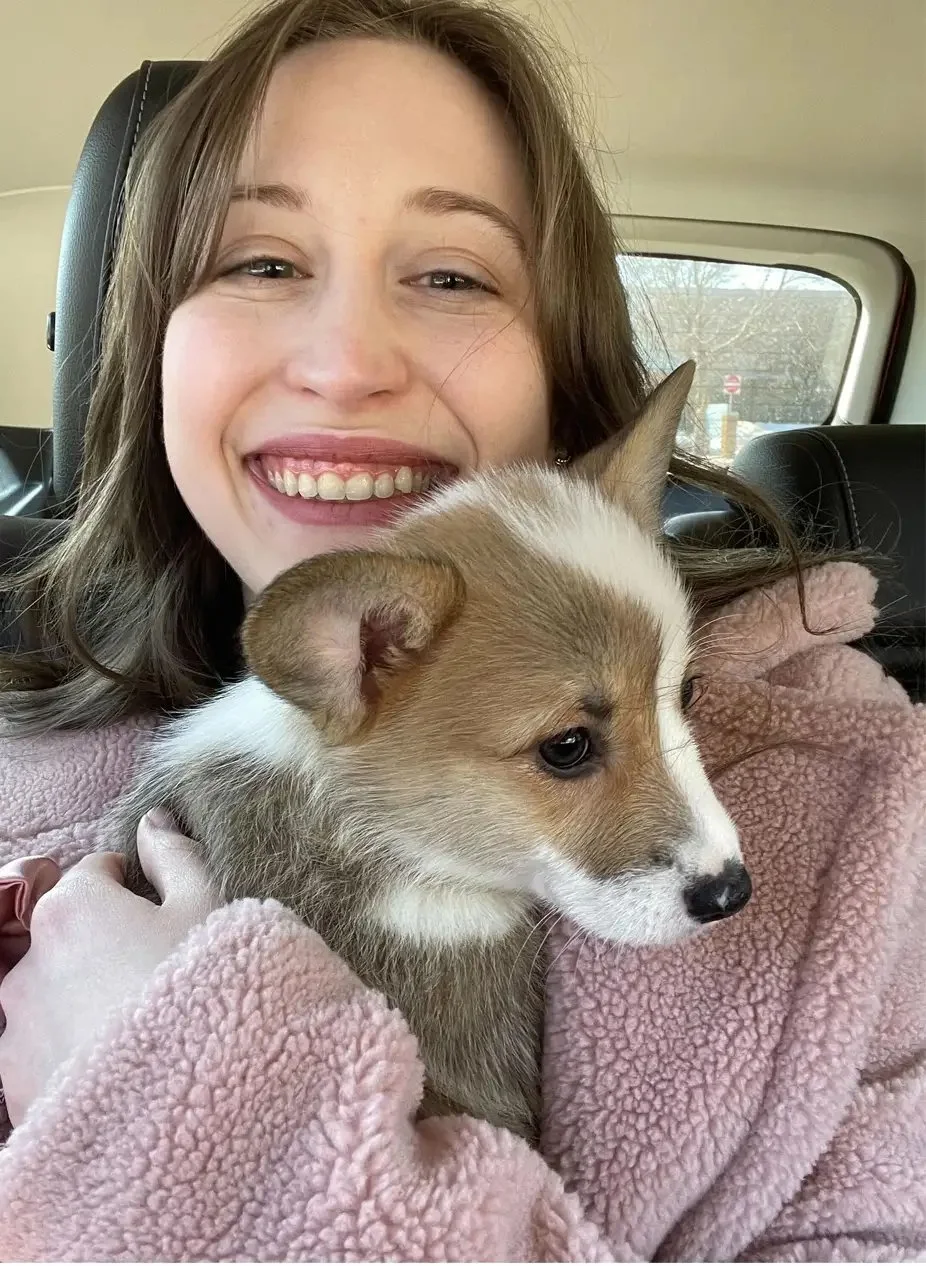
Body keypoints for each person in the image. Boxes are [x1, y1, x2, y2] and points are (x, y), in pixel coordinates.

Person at [0, 0, 922, 1259]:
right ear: (146, 345)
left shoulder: (848, 812)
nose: (344, 361)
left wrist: (200, 1114)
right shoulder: (22, 762)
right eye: (260, 261)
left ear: (557, 352)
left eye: (450, 274)